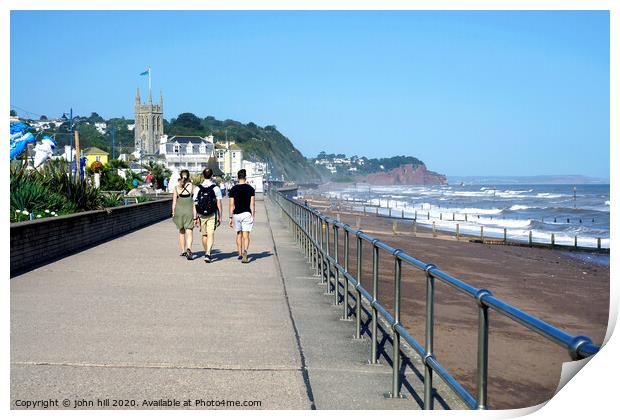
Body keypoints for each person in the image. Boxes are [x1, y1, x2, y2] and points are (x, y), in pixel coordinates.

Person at [194, 168, 223, 263]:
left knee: (204, 235)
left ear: (203, 175)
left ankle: (206, 251)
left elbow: (195, 203)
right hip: (212, 214)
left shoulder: (198, 188)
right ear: (211, 176)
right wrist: (220, 216)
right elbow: (219, 203)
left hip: (201, 214)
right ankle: (208, 253)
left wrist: (195, 217)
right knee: (211, 234)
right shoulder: (216, 188)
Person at [228, 169, 255, 263]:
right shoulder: (250, 189)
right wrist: (253, 215)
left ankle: (239, 254)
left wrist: (230, 217)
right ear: (245, 177)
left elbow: (231, 205)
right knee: (246, 235)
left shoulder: (233, 189)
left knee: (239, 234)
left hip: (237, 214)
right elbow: (252, 204)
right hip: (247, 213)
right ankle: (245, 252)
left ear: (237, 177)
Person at [172, 170, 198, 260]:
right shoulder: (192, 187)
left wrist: (173, 213)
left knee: (181, 232)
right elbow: (194, 203)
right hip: (189, 211)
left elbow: (174, 202)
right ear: (188, 176)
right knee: (189, 231)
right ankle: (189, 249)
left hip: (179, 211)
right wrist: (196, 216)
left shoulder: (176, 188)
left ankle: (183, 251)